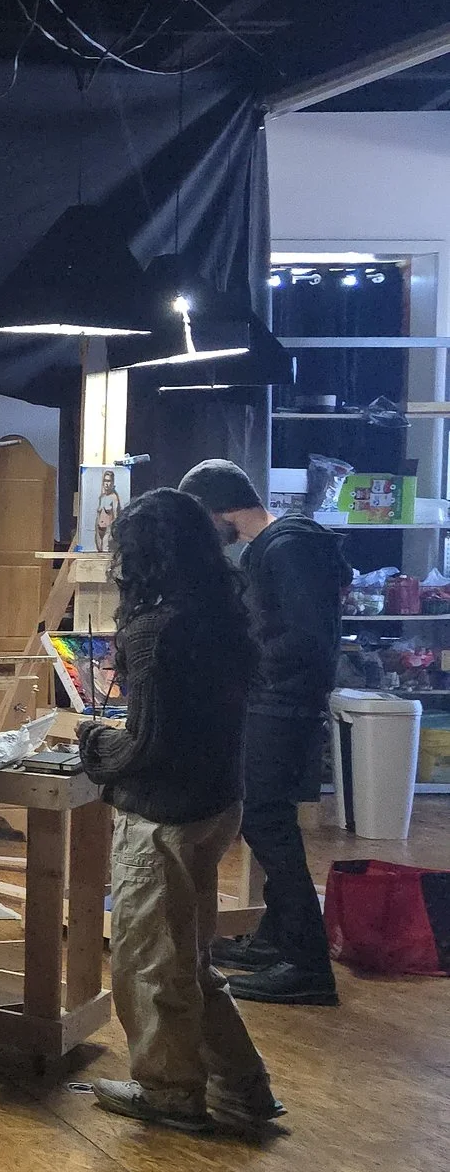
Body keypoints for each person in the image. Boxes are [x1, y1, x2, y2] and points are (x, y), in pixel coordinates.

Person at [76, 489, 281, 1135]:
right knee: (189, 959)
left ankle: (168, 1092)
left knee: (150, 963)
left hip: (163, 816)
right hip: (216, 805)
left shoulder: (155, 630)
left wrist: (92, 745)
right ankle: (242, 1086)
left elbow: (145, 745)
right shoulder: (221, 615)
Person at [179, 459, 350, 1006]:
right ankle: (278, 940)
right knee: (267, 822)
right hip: (280, 703)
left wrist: (241, 668)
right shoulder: (279, 547)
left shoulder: (288, 548)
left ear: (217, 510)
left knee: (267, 823)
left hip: (282, 706)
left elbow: (304, 639)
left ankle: (307, 966)